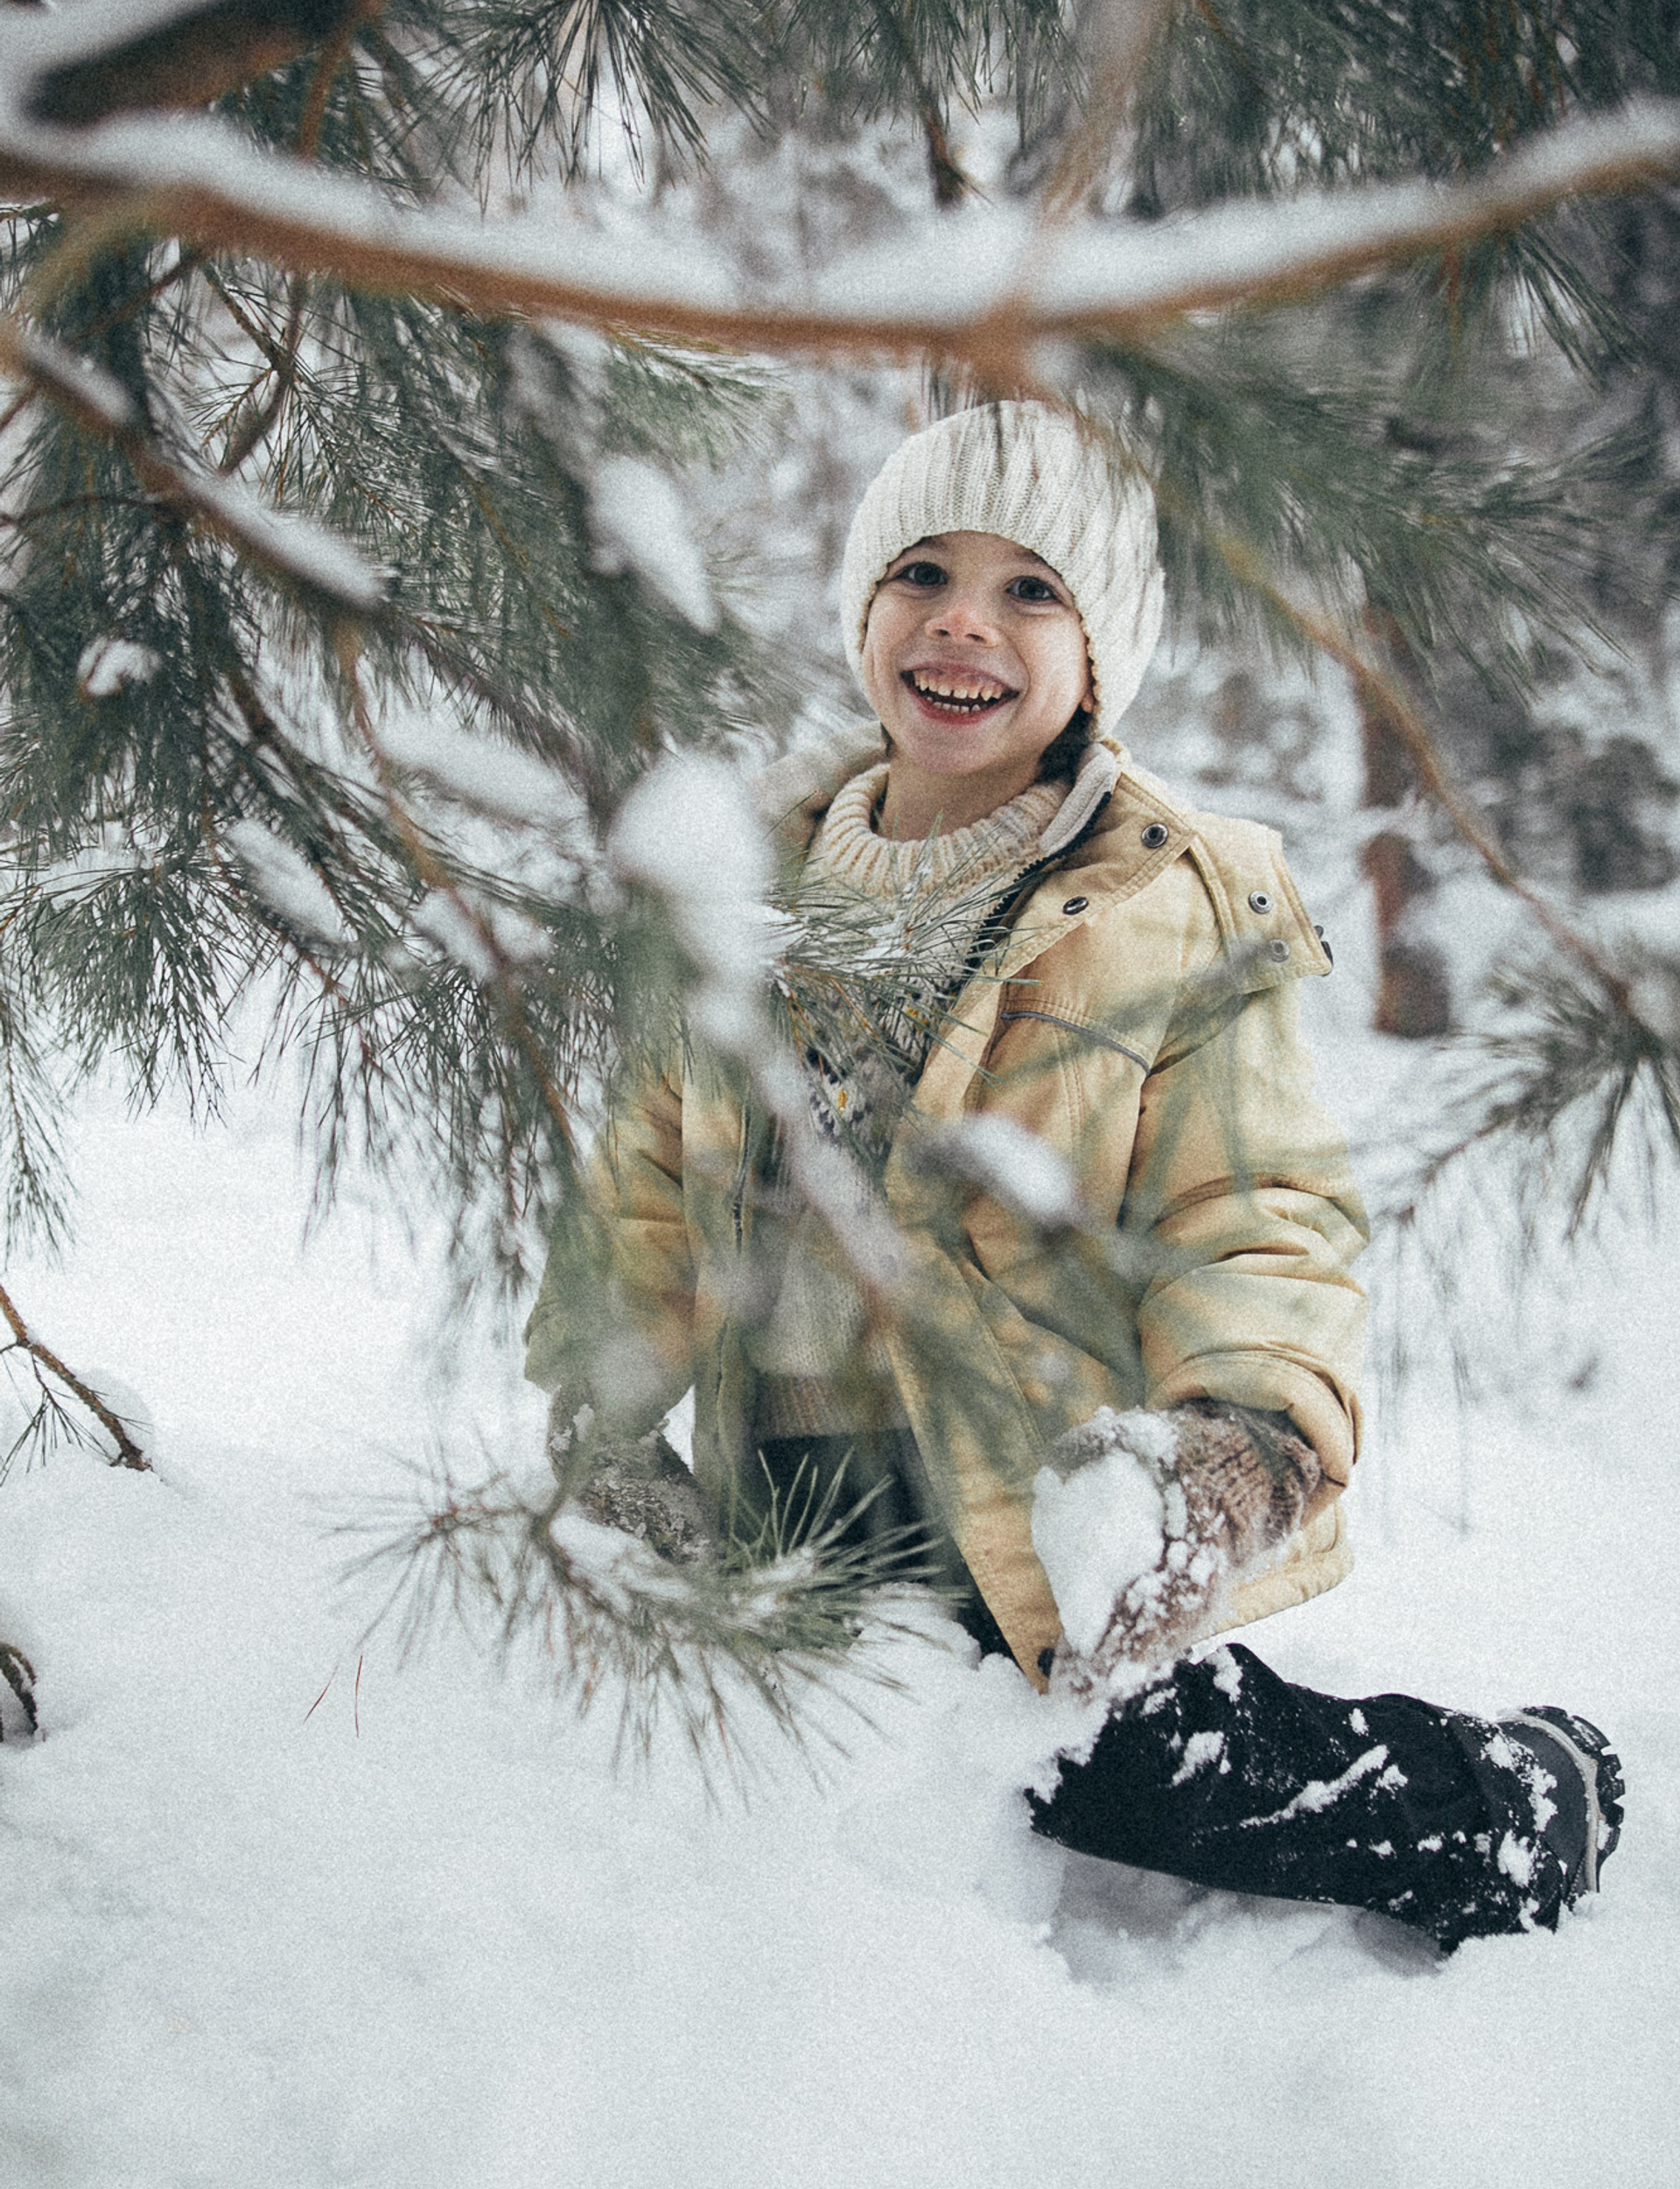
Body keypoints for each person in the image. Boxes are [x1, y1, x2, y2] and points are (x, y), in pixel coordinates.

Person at [526, 401, 1622, 1953]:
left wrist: (1238, 1445)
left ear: (1099, 650)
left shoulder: (1171, 902)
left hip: (1036, 1519)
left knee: (1151, 1778)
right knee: (766, 1781)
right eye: (921, 571)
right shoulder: (745, 881)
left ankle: (1518, 1796)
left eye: (1032, 588)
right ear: (863, 613)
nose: (964, 618)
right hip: (789, 1509)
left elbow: (1258, 1213)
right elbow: (645, 1179)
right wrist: (600, 1408)